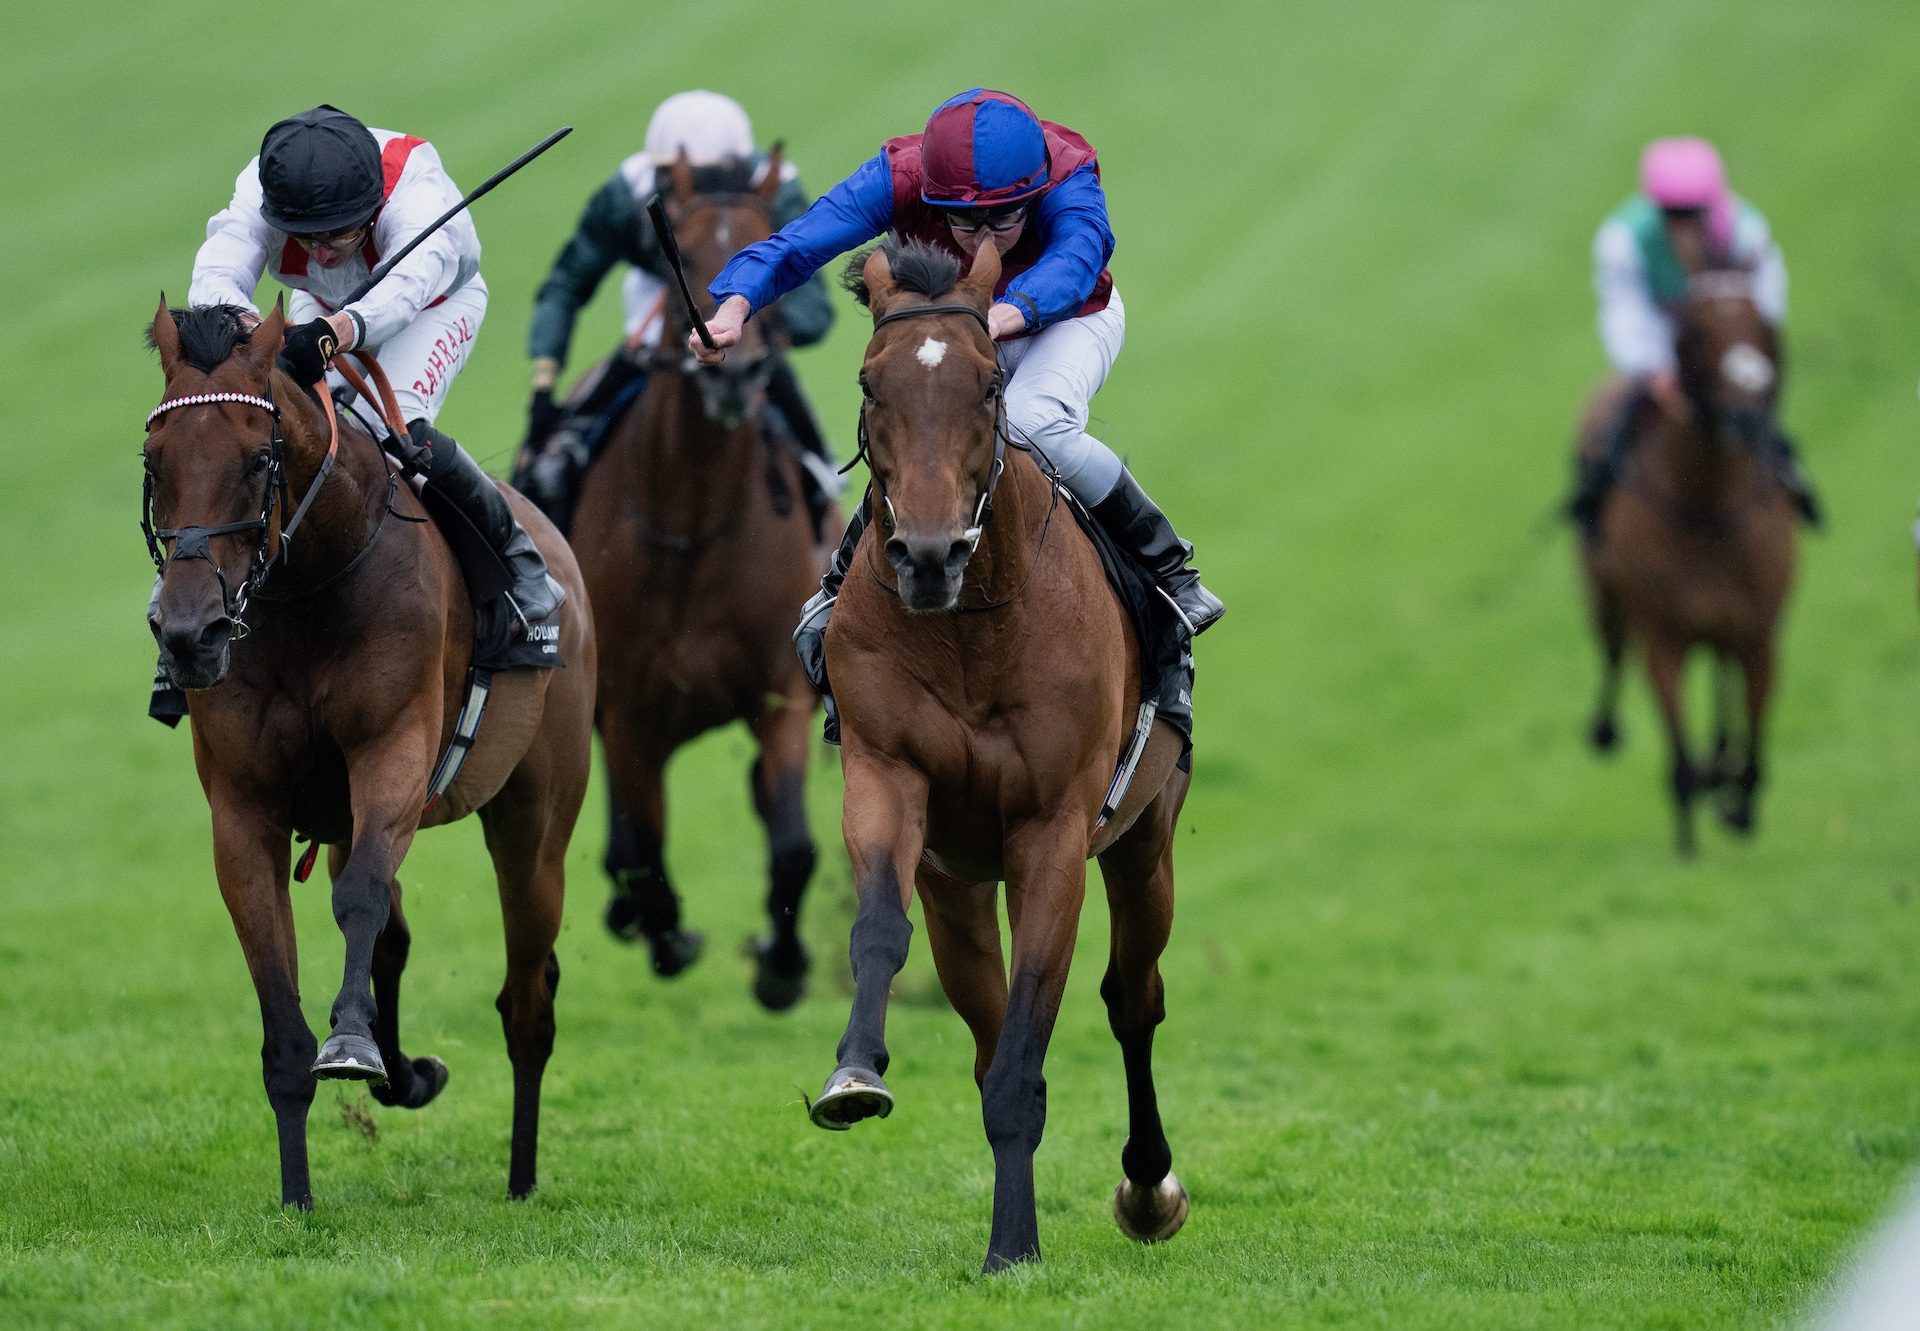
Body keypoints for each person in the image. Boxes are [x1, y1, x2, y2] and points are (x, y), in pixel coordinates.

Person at [693, 87, 1223, 738]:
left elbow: (1077, 260)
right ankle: (840, 586)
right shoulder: (900, 176)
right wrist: (735, 305)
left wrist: (1002, 314)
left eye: (1002, 221)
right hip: (955, 323)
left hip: (1065, 319)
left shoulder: (1068, 174)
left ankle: (1168, 566)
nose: (981, 239)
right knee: (918, 420)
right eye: (963, 224)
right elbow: (801, 242)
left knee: (1030, 423)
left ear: (1033, 194)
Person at [150, 105, 563, 722]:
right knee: (250, 433)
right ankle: (186, 604)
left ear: (372, 207)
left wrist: (335, 332)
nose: (320, 251)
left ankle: (523, 572)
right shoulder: (261, 186)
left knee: (398, 429)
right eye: (306, 237)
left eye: (337, 235)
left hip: (432, 305)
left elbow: (407, 288)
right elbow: (215, 276)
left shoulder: (415, 186)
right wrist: (256, 334)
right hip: (320, 309)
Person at [517, 90, 838, 534]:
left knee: (810, 447)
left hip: (752, 312)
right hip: (661, 302)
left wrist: (768, 327)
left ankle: (822, 483)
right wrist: (544, 384)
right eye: (671, 180)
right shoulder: (627, 193)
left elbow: (814, 307)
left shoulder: (777, 190)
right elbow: (566, 284)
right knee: (546, 459)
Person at [1570, 136, 1819, 530]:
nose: (1683, 224)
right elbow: (1623, 311)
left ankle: (1792, 480)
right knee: (1611, 420)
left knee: (1755, 414)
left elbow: (1766, 301)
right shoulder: (1623, 239)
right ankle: (1594, 498)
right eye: (1673, 214)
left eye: (1693, 213)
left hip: (1726, 341)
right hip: (1662, 338)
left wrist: (1743, 351)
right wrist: (1655, 369)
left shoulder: (1746, 232)